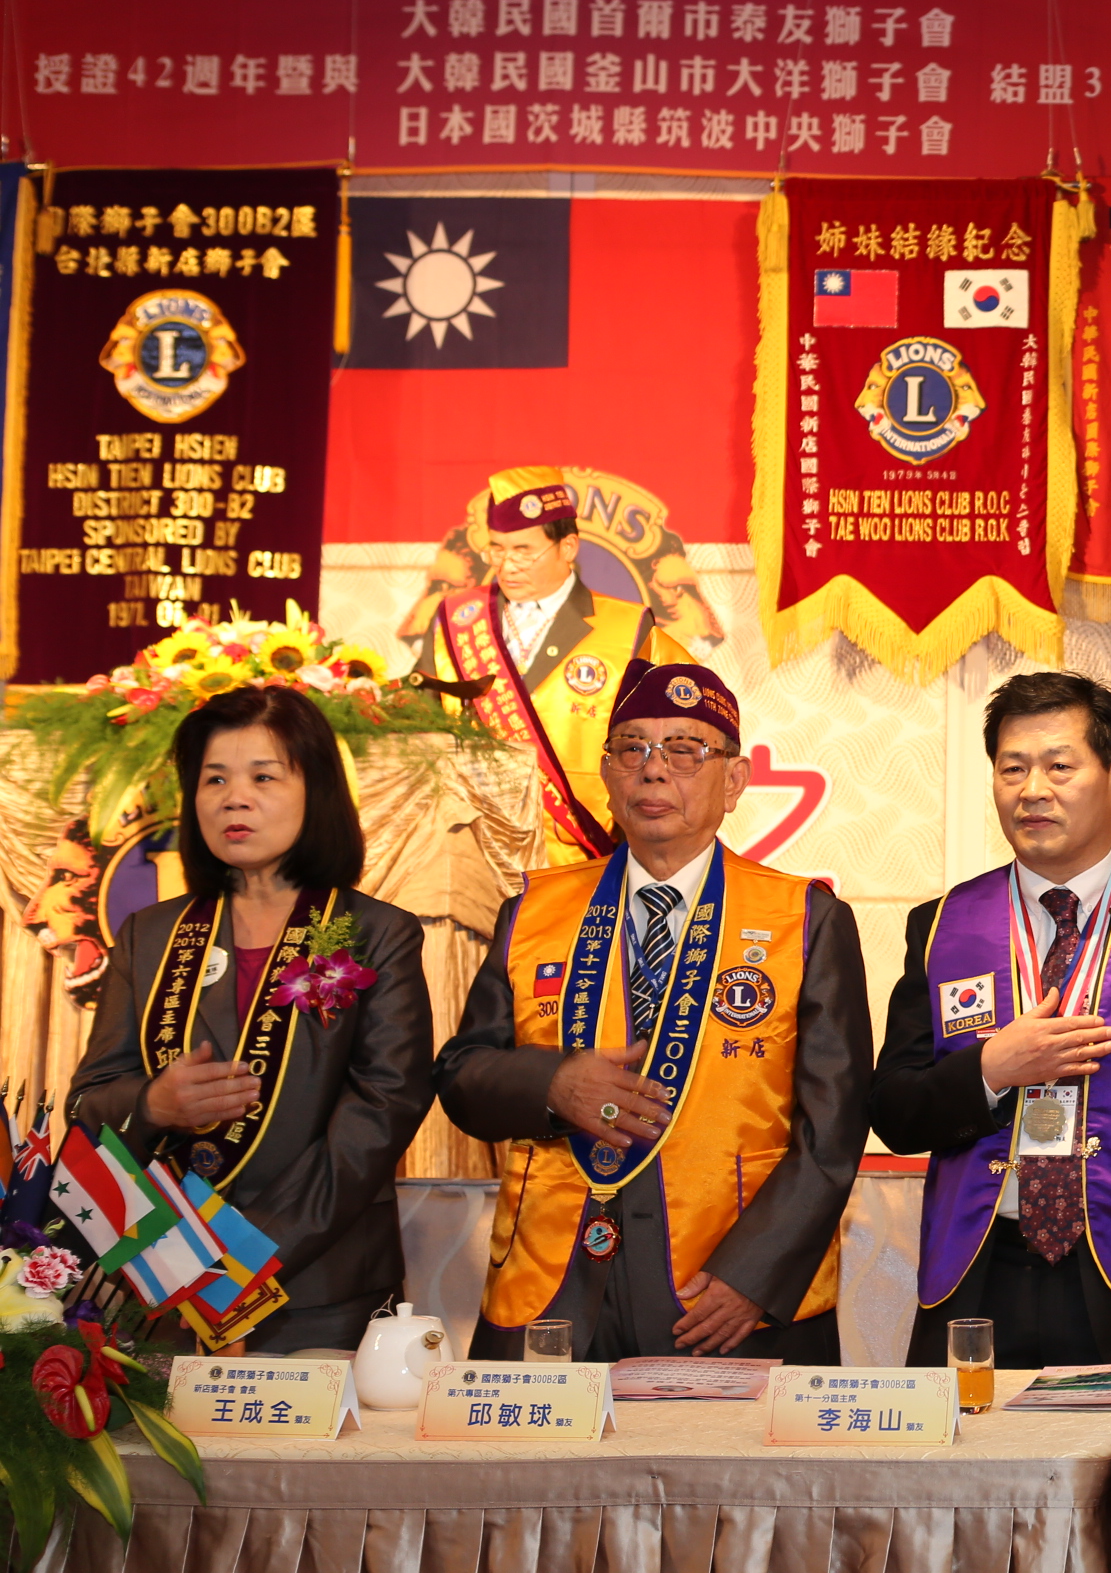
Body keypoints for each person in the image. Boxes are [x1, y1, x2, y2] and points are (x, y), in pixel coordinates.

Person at [434, 662, 870, 1362]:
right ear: (607, 775)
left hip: (721, 1291)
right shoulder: (535, 912)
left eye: (685, 750)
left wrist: (755, 1276)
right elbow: (462, 1074)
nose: (653, 769)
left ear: (734, 780)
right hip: (551, 1282)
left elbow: (833, 1130)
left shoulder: (803, 918)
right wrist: (552, 1084)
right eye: (631, 748)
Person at [872, 672, 1111, 1368]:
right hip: (979, 1274)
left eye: (1060, 767)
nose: (1032, 791)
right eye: (1012, 769)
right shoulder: (943, 925)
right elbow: (896, 1114)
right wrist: (989, 1071)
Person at [66, 686, 436, 1352]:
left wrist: (239, 1266)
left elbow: (382, 1112)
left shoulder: (375, 933)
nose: (234, 798)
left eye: (263, 777)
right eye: (214, 779)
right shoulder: (150, 935)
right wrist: (152, 1104)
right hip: (163, 1285)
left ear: (316, 791)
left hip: (317, 1286)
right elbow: (88, 1103)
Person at [413, 466, 694, 862]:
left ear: (568, 547)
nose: (507, 565)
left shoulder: (627, 627)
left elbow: (676, 731)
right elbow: (417, 719)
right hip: (467, 848)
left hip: (579, 851)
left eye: (524, 551)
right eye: (497, 549)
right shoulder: (459, 619)